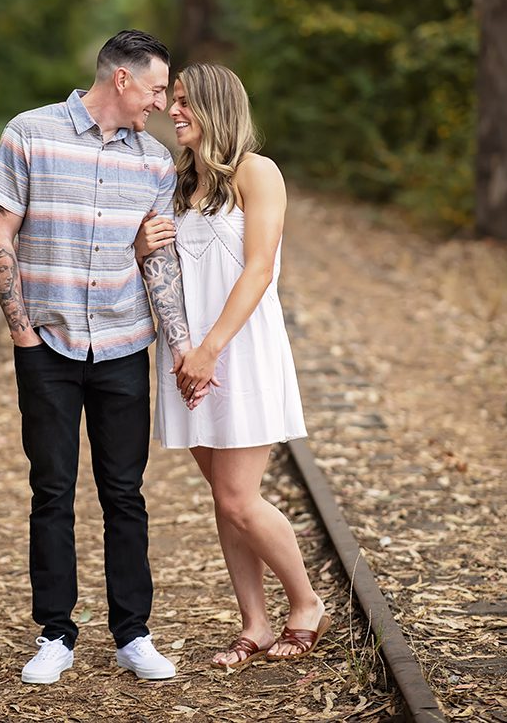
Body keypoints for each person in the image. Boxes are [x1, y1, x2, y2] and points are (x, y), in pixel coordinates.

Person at [0, 29, 195, 684]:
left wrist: (181, 347)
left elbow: (157, 260)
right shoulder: (30, 134)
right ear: (123, 79)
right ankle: (55, 634)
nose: (161, 102)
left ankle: (133, 634)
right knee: (51, 491)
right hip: (45, 342)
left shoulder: (155, 162)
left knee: (124, 494)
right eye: (157, 88)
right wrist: (21, 332)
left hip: (124, 344)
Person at [134, 63, 330, 669]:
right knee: (225, 498)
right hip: (189, 357)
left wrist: (211, 348)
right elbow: (163, 271)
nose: (174, 110)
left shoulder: (257, 173)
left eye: (187, 102)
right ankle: (255, 623)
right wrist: (142, 251)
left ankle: (306, 604)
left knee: (241, 498)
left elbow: (259, 269)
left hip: (236, 352)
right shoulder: (177, 181)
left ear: (218, 106)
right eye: (173, 101)